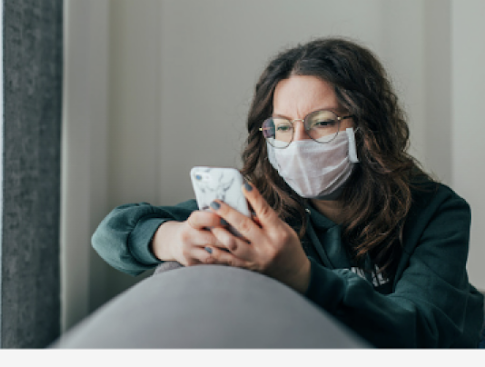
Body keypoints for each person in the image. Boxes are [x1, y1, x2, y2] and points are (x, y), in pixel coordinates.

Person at [91, 37, 484, 348]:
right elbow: (110, 232)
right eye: (281, 126)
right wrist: (172, 239)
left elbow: (420, 334)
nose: (299, 142)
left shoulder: (437, 211)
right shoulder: (262, 207)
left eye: (323, 122)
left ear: (367, 128)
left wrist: (303, 276)